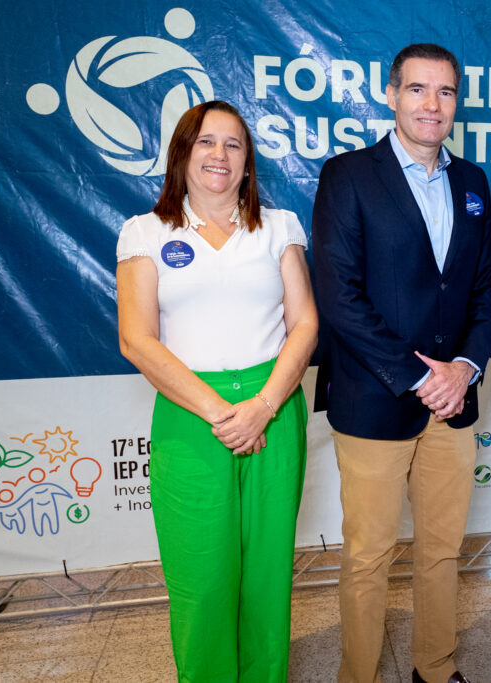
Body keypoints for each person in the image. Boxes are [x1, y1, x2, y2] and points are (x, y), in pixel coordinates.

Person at [311, 43, 491, 683]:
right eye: (418, 90)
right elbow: (337, 294)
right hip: (373, 397)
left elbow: (483, 290)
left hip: (455, 402)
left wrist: (465, 368)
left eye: (445, 93)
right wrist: (422, 375)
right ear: (391, 95)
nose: (431, 105)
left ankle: (435, 668)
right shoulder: (348, 175)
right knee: (367, 556)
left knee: (442, 551)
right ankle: (357, 674)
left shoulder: (472, 183)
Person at [116, 100, 317, 682]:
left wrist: (262, 407)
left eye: (233, 144)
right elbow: (137, 339)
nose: (219, 155)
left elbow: (304, 324)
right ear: (181, 153)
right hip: (191, 417)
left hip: (273, 408)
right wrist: (223, 413)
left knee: (267, 576)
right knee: (202, 579)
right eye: (206, 141)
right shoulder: (145, 233)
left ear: (249, 162)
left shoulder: (279, 227)